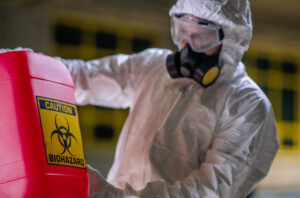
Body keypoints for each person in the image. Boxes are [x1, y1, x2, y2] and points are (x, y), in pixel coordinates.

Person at [2, 0, 279, 197]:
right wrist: (19, 64)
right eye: (182, 30)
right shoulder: (153, 67)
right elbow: (78, 78)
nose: (187, 45)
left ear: (230, 39)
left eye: (202, 36)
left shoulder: (248, 106)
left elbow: (210, 191)